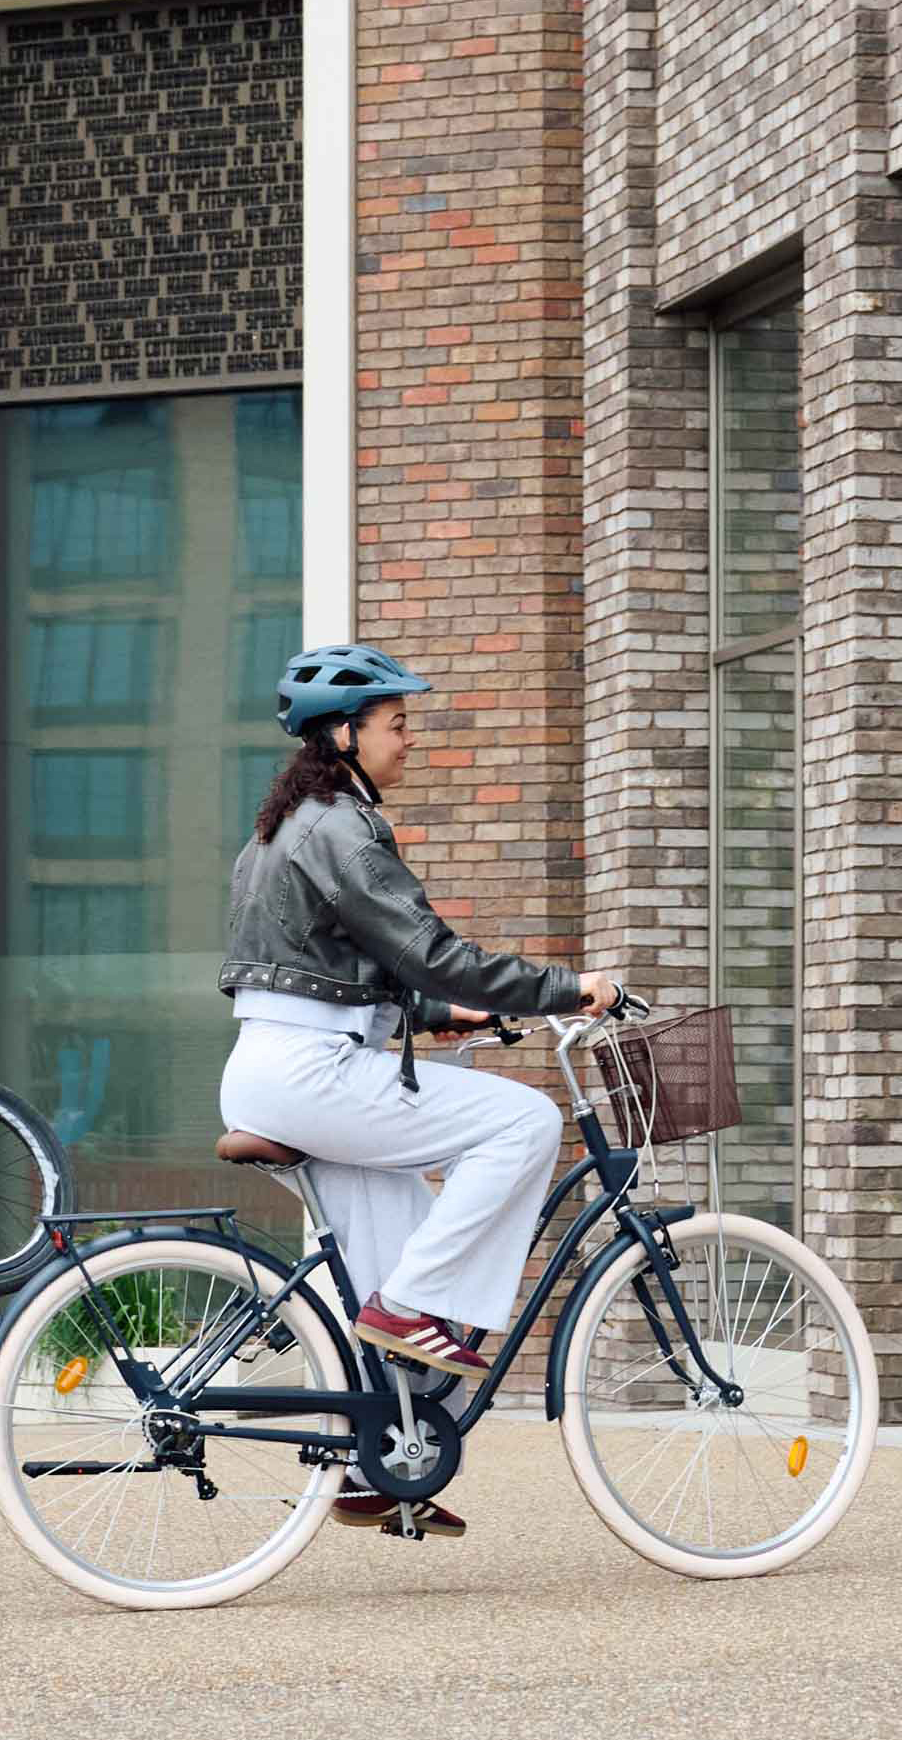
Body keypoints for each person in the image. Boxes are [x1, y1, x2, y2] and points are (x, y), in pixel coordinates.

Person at [218, 638, 617, 1534]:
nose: (410, 741)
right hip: (312, 1075)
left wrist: (437, 1013)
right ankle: (408, 1308)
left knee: (379, 1269)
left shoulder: (289, 825)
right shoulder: (341, 828)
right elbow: (434, 949)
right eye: (397, 725)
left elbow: (332, 964)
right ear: (345, 732)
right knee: (523, 1120)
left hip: (283, 1067)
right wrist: (569, 987)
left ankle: (365, 1468)